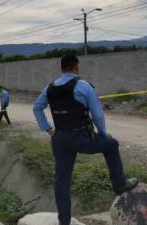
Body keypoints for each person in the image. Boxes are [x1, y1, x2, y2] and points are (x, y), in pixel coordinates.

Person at [33, 54, 138, 225]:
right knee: (111, 145)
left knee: (62, 181)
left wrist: (48, 129)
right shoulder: (83, 86)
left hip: (60, 140)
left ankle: (64, 222)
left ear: (62, 69)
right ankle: (119, 184)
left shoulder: (49, 88)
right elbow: (97, 115)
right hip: (81, 138)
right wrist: (103, 134)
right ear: (76, 67)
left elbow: (37, 108)